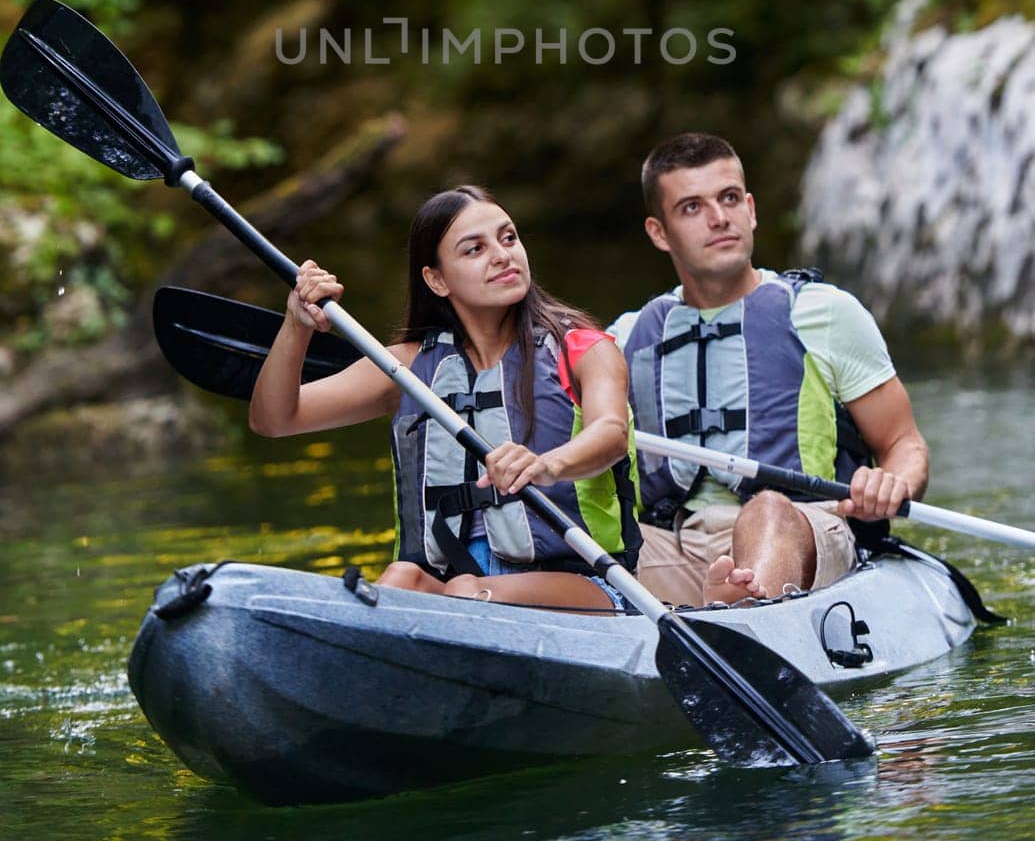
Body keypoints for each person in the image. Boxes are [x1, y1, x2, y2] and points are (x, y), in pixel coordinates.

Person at [249, 184, 642, 612]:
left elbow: (610, 433)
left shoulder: (582, 347)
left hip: (586, 584)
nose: (502, 255)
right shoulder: (407, 369)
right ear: (436, 280)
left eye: (508, 238)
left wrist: (548, 465)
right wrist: (296, 325)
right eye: (474, 249)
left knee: (465, 592)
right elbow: (274, 419)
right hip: (455, 586)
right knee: (403, 577)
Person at [611, 133, 929, 608]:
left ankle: (745, 609)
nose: (720, 218)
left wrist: (892, 482)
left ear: (752, 209)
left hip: (802, 525)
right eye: (692, 208)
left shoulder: (826, 313)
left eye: (730, 198)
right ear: (659, 232)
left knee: (766, 511)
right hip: (672, 546)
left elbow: (904, 443)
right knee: (581, 538)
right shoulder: (626, 338)